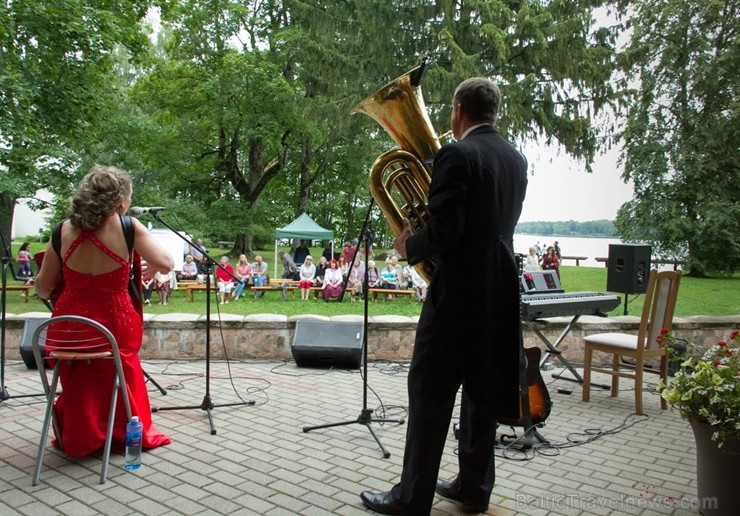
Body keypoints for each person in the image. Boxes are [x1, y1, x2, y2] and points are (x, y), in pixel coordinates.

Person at [359, 77, 528, 515]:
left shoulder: (455, 153)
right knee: (481, 392)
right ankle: (475, 487)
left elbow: (446, 232)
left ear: (458, 111)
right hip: (498, 292)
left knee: (429, 394)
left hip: (456, 296)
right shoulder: (515, 157)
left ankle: (411, 497)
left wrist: (409, 245)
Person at [33, 164, 173, 457]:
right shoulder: (127, 227)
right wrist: (152, 266)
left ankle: (80, 431)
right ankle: (123, 431)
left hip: (68, 330)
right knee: (118, 359)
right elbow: (168, 263)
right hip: (114, 324)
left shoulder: (62, 231)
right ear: (120, 202)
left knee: (79, 361)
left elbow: (43, 290)